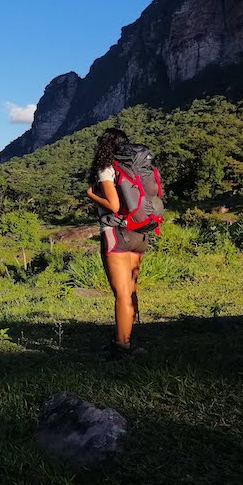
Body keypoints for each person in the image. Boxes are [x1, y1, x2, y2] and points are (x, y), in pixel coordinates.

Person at [86, 128, 147, 359]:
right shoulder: (133, 168)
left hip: (117, 232)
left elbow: (112, 205)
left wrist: (91, 194)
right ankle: (128, 341)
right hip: (139, 232)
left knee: (121, 293)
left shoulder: (106, 169)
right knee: (130, 289)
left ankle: (121, 347)